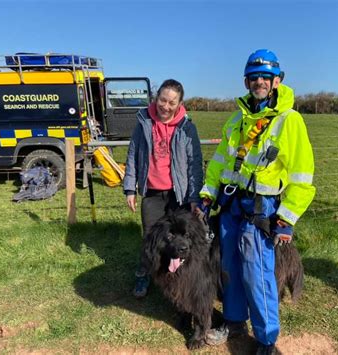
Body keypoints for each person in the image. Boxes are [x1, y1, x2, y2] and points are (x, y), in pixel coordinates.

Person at [198, 49, 316, 354]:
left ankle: (266, 340)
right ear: (246, 81)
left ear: (277, 80)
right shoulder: (237, 119)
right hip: (231, 208)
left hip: (263, 213)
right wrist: (207, 195)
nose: (259, 82)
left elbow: (302, 176)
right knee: (230, 268)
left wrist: (287, 218)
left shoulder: (289, 121)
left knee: (257, 275)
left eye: (265, 76)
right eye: (254, 77)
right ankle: (234, 320)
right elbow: (219, 162)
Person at [124, 79, 203, 298]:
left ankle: (183, 278)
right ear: (155, 98)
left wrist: (195, 196)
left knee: (180, 238)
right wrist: (130, 187)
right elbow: (132, 155)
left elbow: (195, 162)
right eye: (162, 100)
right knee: (151, 237)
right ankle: (145, 274)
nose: (166, 106)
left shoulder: (187, 127)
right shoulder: (143, 123)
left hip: (179, 195)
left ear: (179, 104)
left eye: (171, 102)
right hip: (152, 194)